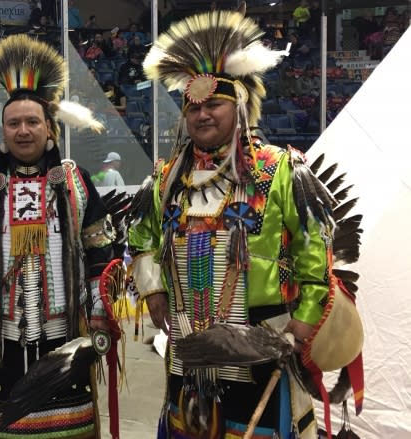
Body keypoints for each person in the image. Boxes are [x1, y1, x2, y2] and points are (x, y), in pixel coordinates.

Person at [128, 9, 362, 438]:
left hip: (261, 341)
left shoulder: (279, 170)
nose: (202, 115)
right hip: (186, 344)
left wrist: (305, 319)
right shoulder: (166, 178)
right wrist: (153, 287)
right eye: (192, 107)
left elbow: (315, 247)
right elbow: (140, 238)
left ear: (237, 105)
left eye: (213, 104)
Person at [0, 34, 116, 438]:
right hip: (4, 341)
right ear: (3, 130)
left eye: (33, 122)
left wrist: (99, 313)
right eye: (14, 123)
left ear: (50, 129)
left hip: (66, 339)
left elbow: (100, 252)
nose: (23, 131)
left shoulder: (75, 184)